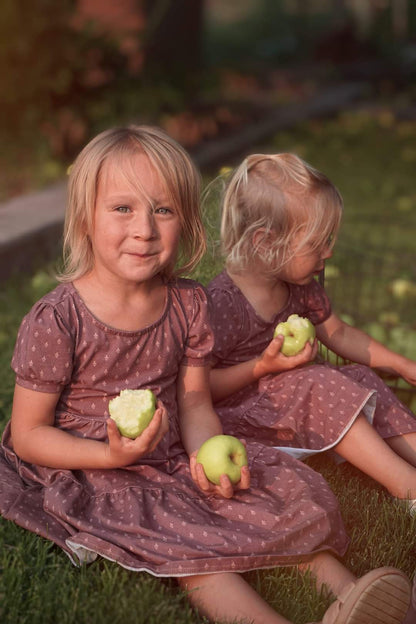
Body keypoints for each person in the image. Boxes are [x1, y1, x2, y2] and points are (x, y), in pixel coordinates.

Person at [0, 127, 411, 624]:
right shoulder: (58, 320)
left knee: (270, 498)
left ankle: (356, 601)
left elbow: (195, 401)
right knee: (183, 543)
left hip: (171, 449)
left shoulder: (188, 303)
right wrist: (109, 454)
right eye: (122, 208)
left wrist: (204, 455)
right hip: (95, 464)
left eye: (164, 209)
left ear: (187, 221)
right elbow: (27, 435)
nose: (145, 229)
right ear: (85, 217)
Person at [207, 152, 416, 514]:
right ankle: (405, 486)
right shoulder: (222, 305)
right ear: (264, 242)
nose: (329, 252)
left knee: (359, 376)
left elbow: (339, 333)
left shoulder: (298, 285)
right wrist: (263, 367)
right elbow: (202, 387)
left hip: (302, 396)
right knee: (318, 381)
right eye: (316, 243)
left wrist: (397, 363)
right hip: (247, 415)